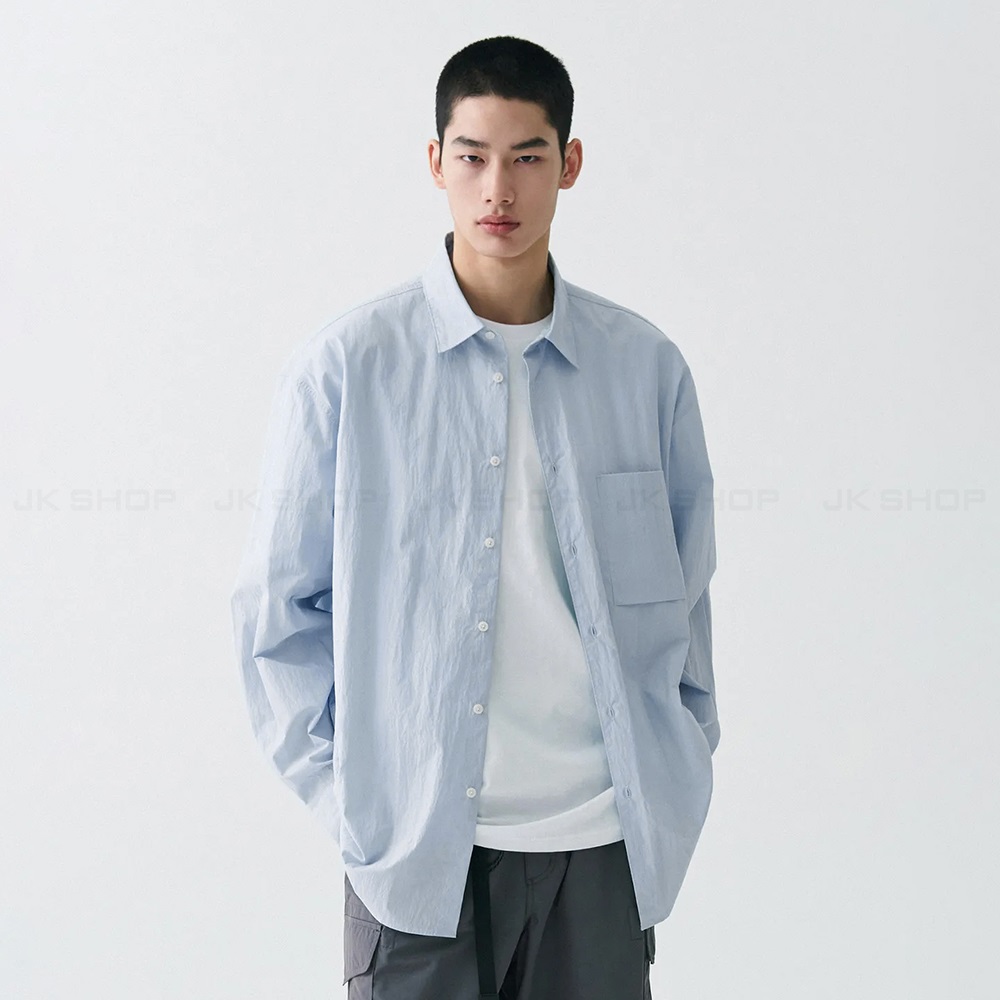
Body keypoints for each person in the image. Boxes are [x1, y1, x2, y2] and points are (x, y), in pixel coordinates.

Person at [230, 34, 719, 1000]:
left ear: (569, 165)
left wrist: (679, 762)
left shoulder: (644, 369)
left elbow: (688, 599)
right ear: (435, 163)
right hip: (417, 864)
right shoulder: (349, 368)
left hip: (605, 850)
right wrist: (360, 809)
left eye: (528, 157)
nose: (499, 188)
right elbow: (274, 617)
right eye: (473, 156)